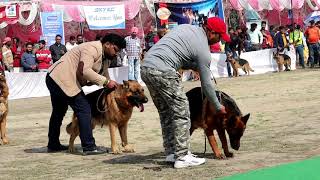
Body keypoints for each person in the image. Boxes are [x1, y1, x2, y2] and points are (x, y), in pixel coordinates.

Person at [140, 17, 229, 169]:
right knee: (181, 110)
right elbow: (207, 86)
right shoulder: (203, 50)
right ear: (212, 33)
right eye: (220, 37)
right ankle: (182, 156)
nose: (219, 41)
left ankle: (171, 152)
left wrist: (195, 66)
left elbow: (178, 54)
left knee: (166, 112)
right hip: (163, 70)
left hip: (146, 68)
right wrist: (217, 105)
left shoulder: (187, 28)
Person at [46, 34, 126, 155]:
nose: (116, 53)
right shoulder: (91, 48)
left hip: (55, 77)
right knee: (84, 109)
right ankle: (89, 146)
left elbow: (104, 74)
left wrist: (110, 86)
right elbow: (85, 71)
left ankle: (53, 144)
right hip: (62, 78)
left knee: (58, 112)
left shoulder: (105, 56)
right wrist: (106, 82)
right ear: (107, 44)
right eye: (115, 49)